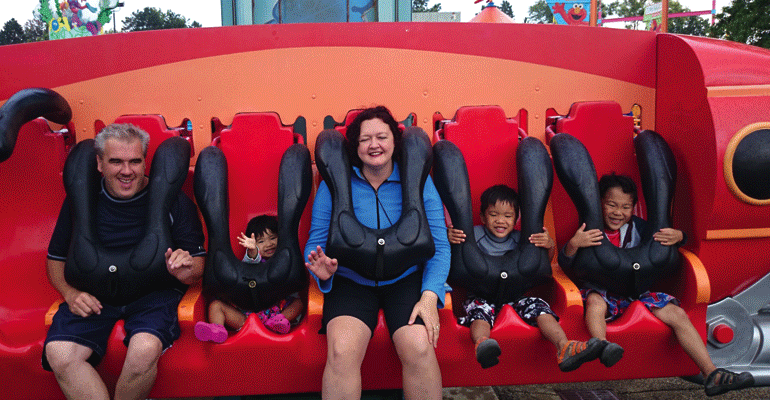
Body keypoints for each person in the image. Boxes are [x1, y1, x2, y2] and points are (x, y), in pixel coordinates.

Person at [43, 123, 206, 400]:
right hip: (95, 295)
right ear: (99, 163)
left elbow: (199, 265)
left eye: (135, 161)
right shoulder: (81, 201)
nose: (126, 171)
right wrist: (70, 293)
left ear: (145, 161)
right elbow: (55, 259)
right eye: (116, 161)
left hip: (153, 295)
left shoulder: (172, 201)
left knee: (143, 350)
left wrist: (185, 270)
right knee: (59, 353)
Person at [559, 173, 754, 396]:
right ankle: (602, 345)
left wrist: (680, 236)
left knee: (678, 315)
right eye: (611, 205)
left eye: (625, 207)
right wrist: (574, 244)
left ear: (633, 208)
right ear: (598, 204)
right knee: (594, 302)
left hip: (637, 292)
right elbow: (566, 263)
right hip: (603, 291)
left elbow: (670, 240)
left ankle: (712, 373)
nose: (617, 212)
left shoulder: (639, 228)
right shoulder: (589, 230)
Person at [304, 106, 450, 400]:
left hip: (406, 281)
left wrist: (430, 294)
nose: (374, 145)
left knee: (419, 346)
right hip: (351, 281)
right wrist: (323, 271)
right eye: (365, 139)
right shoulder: (335, 184)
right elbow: (314, 245)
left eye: (382, 137)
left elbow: (439, 244)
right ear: (355, 146)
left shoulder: (417, 180)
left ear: (394, 143)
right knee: (341, 350)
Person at [447, 184, 604, 370]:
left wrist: (549, 245)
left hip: (516, 296)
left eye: (507, 216)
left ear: (516, 219)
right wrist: (448, 238)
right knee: (480, 312)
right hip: (481, 295)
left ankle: (564, 346)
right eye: (493, 214)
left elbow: (543, 264)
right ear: (482, 217)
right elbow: (456, 258)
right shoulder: (473, 236)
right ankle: (483, 344)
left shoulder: (521, 239)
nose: (500, 221)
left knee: (540, 308)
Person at [194, 214, 304, 342]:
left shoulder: (285, 261)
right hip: (247, 320)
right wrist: (253, 251)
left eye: (273, 238)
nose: (268, 244)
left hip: (275, 315)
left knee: (299, 303)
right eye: (261, 241)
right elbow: (252, 260)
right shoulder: (253, 261)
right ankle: (217, 330)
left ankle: (279, 322)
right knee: (215, 305)